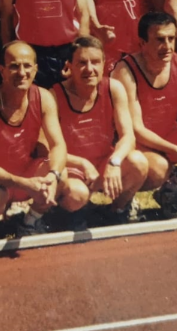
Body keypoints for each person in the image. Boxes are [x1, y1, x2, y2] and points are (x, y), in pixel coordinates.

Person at [111, 13, 177, 219]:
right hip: (136, 143)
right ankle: (123, 202)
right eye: (160, 39)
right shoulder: (125, 70)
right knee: (158, 169)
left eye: (171, 39)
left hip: (168, 134)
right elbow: (136, 129)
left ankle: (171, 191)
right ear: (142, 43)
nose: (167, 46)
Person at [0, 42, 71, 240]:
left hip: (26, 174)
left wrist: (53, 175)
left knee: (61, 174)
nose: (22, 72)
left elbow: (58, 145)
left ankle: (30, 222)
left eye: (27, 66)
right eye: (14, 66)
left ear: (35, 69)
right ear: (2, 71)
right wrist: (26, 184)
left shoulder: (43, 98)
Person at [54, 37, 149, 224]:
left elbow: (128, 136)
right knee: (76, 196)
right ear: (69, 66)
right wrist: (82, 164)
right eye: (82, 63)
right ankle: (68, 212)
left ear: (104, 64)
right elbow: (48, 149)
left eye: (95, 62)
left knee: (138, 162)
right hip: (73, 169)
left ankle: (117, 209)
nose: (89, 69)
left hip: (103, 165)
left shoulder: (113, 88)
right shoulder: (54, 95)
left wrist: (114, 162)